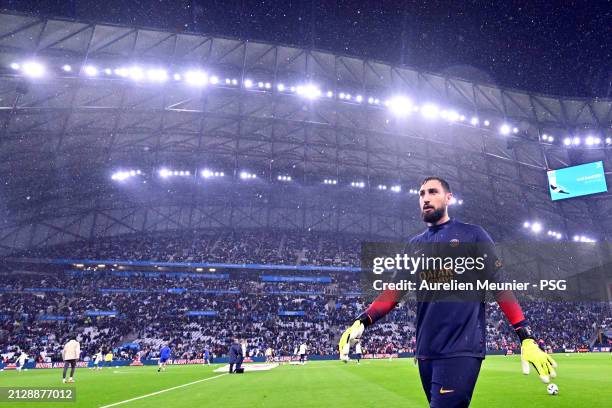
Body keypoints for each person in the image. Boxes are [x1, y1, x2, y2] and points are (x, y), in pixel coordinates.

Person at [339, 177, 557, 408]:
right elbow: (394, 290)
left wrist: (525, 336)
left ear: (448, 197)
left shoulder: (472, 235)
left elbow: (499, 284)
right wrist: (363, 320)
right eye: (421, 194)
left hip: (460, 349)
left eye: (432, 192)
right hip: (425, 352)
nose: (425, 198)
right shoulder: (415, 245)